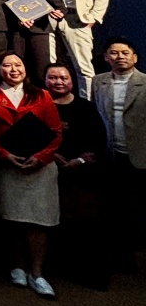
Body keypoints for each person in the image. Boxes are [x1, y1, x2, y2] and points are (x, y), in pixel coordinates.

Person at [0, 51, 63, 300]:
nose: (13, 69)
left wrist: (41, 157)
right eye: (7, 65)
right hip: (7, 164)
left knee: (39, 219)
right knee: (13, 217)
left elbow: (56, 131)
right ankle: (17, 266)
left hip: (40, 166)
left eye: (18, 64)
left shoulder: (42, 95)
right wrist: (4, 154)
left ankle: (37, 272)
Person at [44, 61, 109, 290]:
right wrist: (51, 155)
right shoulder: (39, 106)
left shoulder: (85, 107)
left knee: (86, 223)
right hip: (47, 170)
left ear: (72, 80)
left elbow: (98, 139)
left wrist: (79, 161)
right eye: (53, 78)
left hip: (82, 173)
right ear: (45, 80)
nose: (58, 82)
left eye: (63, 78)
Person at [91, 36, 146, 271]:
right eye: (114, 53)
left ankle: (139, 257)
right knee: (115, 206)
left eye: (125, 53)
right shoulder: (98, 81)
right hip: (111, 154)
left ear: (135, 57)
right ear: (106, 57)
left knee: (140, 207)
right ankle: (121, 256)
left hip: (140, 154)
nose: (119, 57)